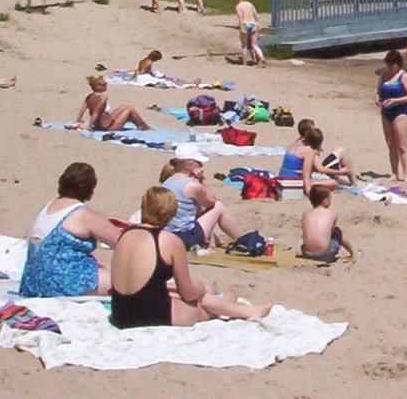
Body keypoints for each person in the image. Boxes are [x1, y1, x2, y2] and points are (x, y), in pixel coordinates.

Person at [109, 186, 268, 328]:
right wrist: (201, 288)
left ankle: (231, 307)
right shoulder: (169, 241)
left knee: (178, 294)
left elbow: (142, 283)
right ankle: (241, 310)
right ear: (171, 213)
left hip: (121, 314)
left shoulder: (124, 235)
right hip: (152, 317)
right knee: (199, 305)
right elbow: (188, 293)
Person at [20, 163, 122, 298]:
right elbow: (122, 241)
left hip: (32, 282)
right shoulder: (82, 214)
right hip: (62, 284)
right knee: (122, 283)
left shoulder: (48, 206)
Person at [158, 146, 244, 250]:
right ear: (190, 165)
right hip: (185, 237)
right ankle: (243, 240)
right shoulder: (191, 185)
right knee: (218, 207)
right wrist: (201, 178)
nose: (201, 166)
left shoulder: (168, 181)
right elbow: (212, 201)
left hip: (168, 234)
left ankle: (216, 240)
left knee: (197, 209)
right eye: (199, 163)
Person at [376, 50, 407, 181]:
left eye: (391, 65)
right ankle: (394, 172)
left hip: (400, 112)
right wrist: (377, 99)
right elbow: (378, 91)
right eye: (388, 64)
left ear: (397, 65)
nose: (389, 67)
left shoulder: (403, 76)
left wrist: (395, 100)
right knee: (390, 143)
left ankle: (406, 174)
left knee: (401, 145)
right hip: (386, 112)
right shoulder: (383, 76)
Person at [280, 123, 357, 189]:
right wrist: (340, 171)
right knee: (334, 182)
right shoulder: (308, 150)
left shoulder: (296, 144)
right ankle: (354, 183)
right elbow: (319, 169)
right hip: (297, 182)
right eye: (313, 128)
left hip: (284, 179)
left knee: (341, 151)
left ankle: (348, 179)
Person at [299, 185, 356, 262]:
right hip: (324, 255)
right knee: (337, 231)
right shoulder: (331, 214)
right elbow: (332, 234)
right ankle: (353, 252)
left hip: (306, 254)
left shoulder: (305, 214)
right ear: (325, 200)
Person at [73, 75, 151, 130]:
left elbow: (82, 110)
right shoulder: (103, 97)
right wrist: (90, 126)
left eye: (105, 83)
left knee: (124, 106)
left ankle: (141, 125)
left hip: (105, 122)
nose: (106, 85)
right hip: (107, 127)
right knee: (129, 109)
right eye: (103, 84)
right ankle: (143, 126)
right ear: (95, 86)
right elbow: (96, 112)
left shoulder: (90, 96)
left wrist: (77, 121)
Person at [235, 0, 265, 66]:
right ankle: (261, 57)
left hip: (245, 24)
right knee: (254, 44)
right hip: (253, 23)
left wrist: (241, 27)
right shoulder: (250, 4)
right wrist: (258, 23)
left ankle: (244, 63)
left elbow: (240, 17)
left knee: (244, 45)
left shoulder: (238, 6)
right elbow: (255, 14)